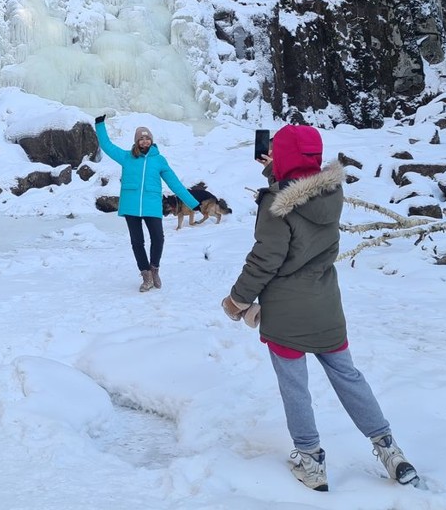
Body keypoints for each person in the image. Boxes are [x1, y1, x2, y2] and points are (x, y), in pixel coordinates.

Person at [220, 124, 417, 492]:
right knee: (348, 377)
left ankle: (310, 460)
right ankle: (389, 448)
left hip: (286, 312)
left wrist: (238, 299)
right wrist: (276, 169)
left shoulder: (274, 204)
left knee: (295, 387)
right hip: (326, 304)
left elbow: (265, 259)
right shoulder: (331, 192)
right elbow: (299, 191)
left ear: (287, 158)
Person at [95, 115, 200, 292]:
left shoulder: (159, 160)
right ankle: (146, 275)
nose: (144, 140)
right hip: (131, 205)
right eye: (141, 138)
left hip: (152, 205)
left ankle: (154, 269)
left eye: (147, 137)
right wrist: (99, 124)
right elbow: (107, 146)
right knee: (137, 242)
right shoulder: (127, 157)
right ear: (136, 141)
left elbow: (175, 183)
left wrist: (192, 203)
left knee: (158, 238)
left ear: (152, 140)